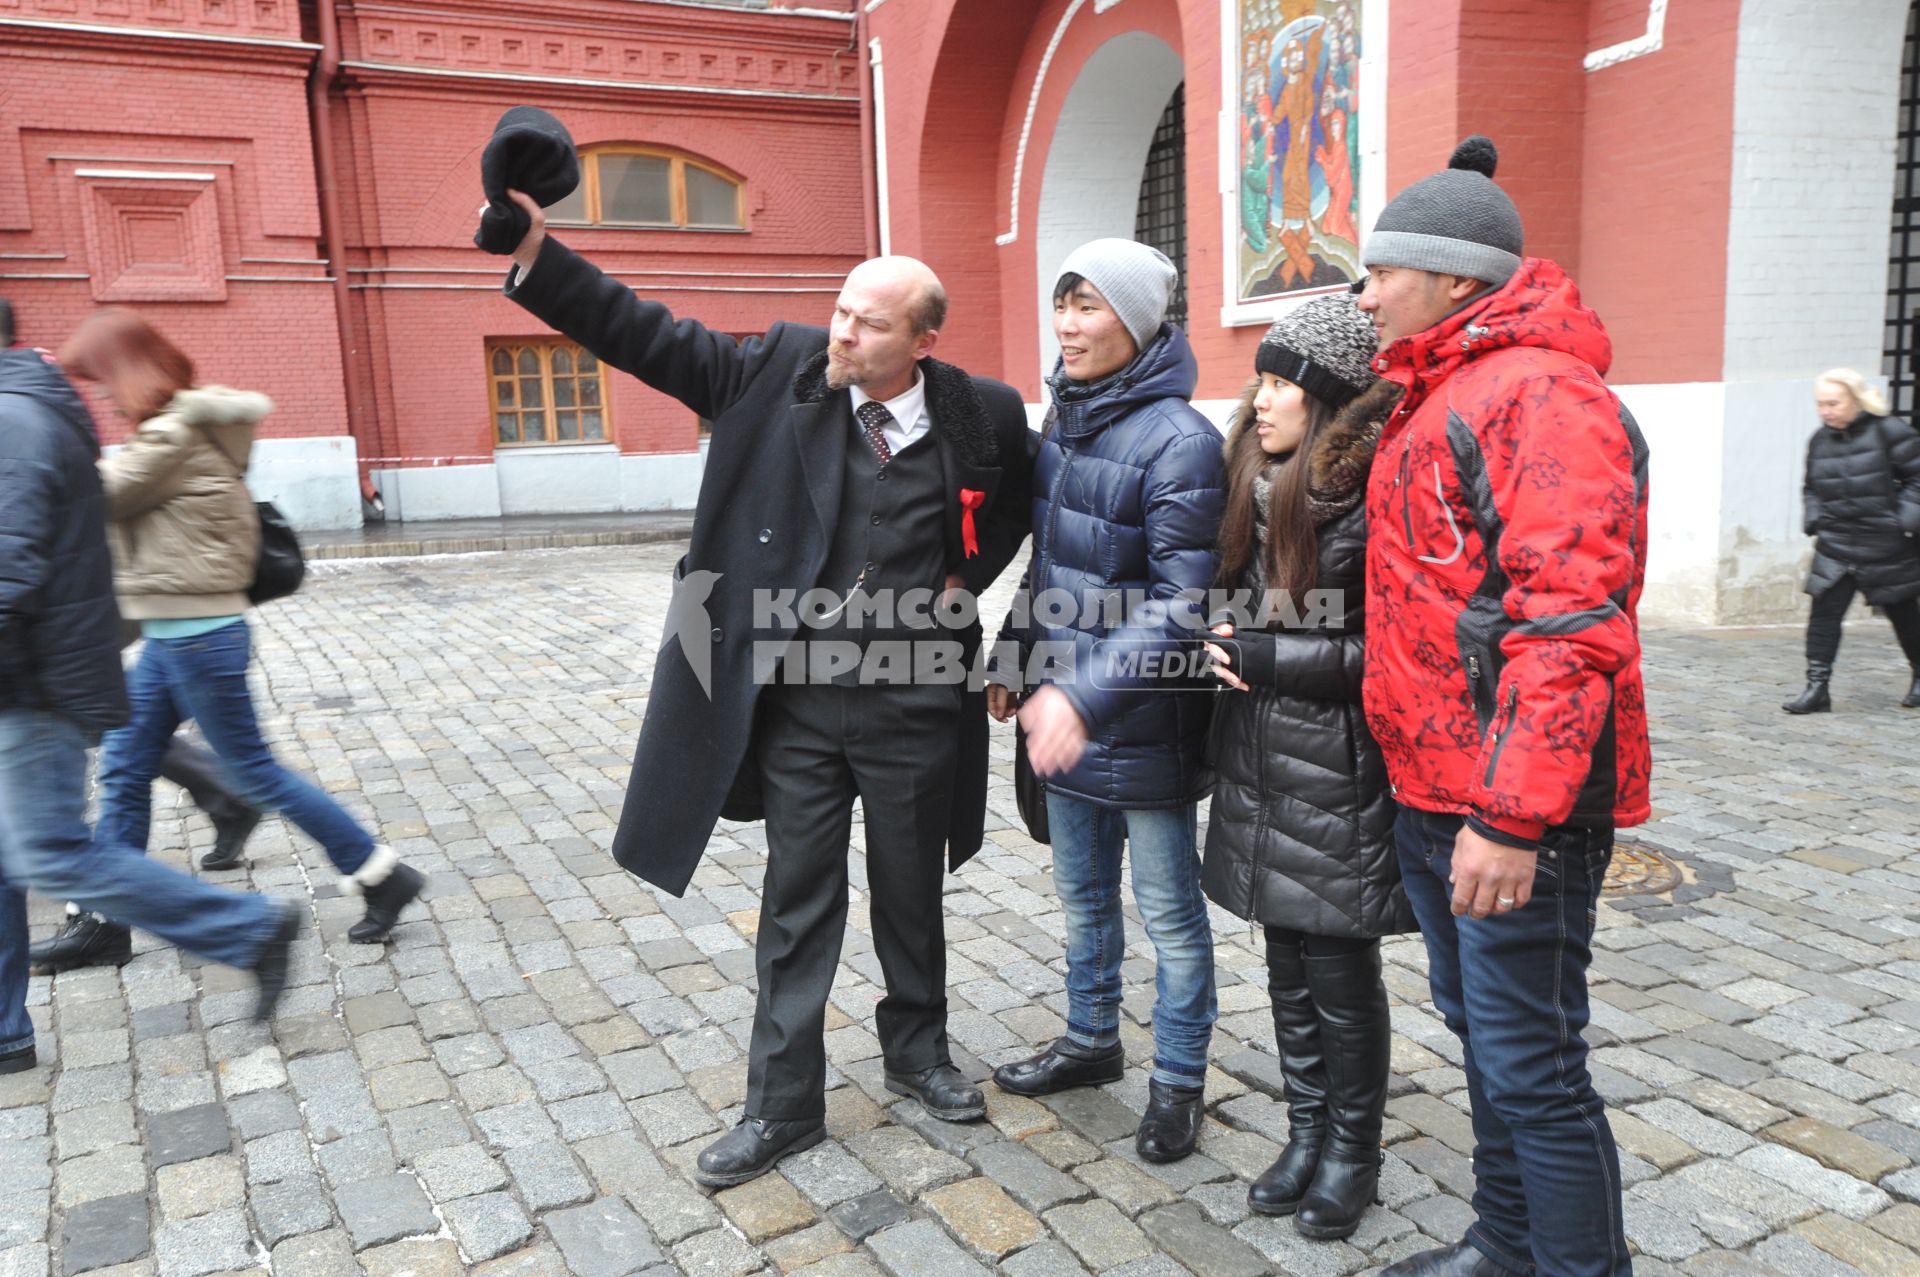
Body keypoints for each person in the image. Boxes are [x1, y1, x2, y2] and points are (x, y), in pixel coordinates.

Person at [493, 187, 1032, 1188]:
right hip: (796, 703)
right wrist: (536, 251)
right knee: (797, 897)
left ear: (921, 338)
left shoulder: (979, 411)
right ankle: (782, 1102)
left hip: (916, 698)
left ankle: (918, 1051)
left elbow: (1015, 504)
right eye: (840, 309)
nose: (842, 331)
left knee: (913, 892)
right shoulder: (778, 370)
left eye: (868, 323)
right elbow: (646, 336)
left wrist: (965, 582)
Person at [1355, 137, 1648, 1277]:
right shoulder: (1439, 387)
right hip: (1432, 788)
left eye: (1384, 270)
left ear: (1457, 280)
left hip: (1510, 806)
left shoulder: (1540, 395)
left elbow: (1570, 623)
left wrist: (1512, 818)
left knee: (1534, 1061)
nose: (1366, 291)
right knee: (1487, 1043)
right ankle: (1507, 1241)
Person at [57, 310, 425, 948]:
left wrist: (43, 431)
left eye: (103, 383)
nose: (106, 399)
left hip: (199, 638)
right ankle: (103, 921)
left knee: (253, 772)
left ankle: (380, 874)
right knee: (123, 765)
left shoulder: (170, 438)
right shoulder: (172, 432)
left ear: (128, 372)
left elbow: (93, 493)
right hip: (175, 637)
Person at [0, 332, 301, 1068]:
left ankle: (257, 921)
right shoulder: (40, 409)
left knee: (52, 850)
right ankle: (12, 1021)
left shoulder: (23, 419)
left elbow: (15, 562)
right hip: (105, 649)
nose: (101, 393)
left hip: (79, 664)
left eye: (107, 378)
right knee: (82, 805)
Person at [988, 240, 1225, 1164]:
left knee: (1169, 914)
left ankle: (1179, 1082)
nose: (1068, 324)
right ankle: (1091, 1041)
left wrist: (1085, 695)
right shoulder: (1070, 420)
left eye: (1088, 306)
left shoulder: (1180, 441)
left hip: (1144, 718)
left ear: (1136, 320)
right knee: (1083, 898)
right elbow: (1051, 563)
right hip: (1064, 710)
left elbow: (1186, 603)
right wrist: (1016, 656)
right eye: (1063, 303)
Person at [1199, 294, 1414, 1239]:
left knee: (1336, 964)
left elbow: (1389, 655)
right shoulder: (1250, 478)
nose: (1262, 400)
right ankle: (1306, 1129)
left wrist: (1261, 655)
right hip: (1260, 756)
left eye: (1283, 383)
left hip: (1337, 770)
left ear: (1328, 402)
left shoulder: (1365, 501)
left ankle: (1353, 1152)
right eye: (1263, 380)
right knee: (1284, 956)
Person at [1782, 368, 1920, 713]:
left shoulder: (1891, 432)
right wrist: (1815, 520)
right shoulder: (1819, 439)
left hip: (1886, 543)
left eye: (1833, 403)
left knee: (1904, 615)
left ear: (1857, 400)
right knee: (1823, 615)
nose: (1825, 411)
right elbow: (1811, 486)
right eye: (1820, 404)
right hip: (1836, 542)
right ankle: (1817, 687)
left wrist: (1904, 521)